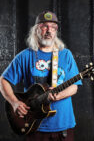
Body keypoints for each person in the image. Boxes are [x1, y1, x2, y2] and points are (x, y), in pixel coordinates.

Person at [0, 11, 82, 141]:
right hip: (34, 126)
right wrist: (14, 103)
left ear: (56, 31)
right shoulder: (25, 56)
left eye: (53, 27)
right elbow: (3, 81)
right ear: (36, 30)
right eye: (44, 26)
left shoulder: (65, 55)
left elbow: (74, 87)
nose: (49, 30)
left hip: (63, 127)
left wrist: (59, 95)